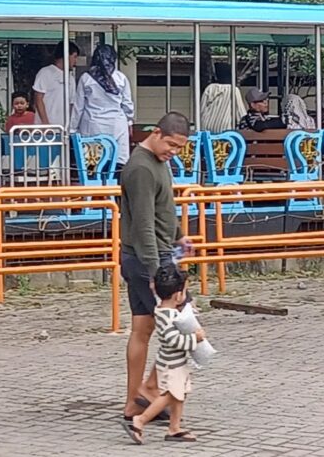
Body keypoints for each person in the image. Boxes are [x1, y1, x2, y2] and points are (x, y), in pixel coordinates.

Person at [120, 112, 193, 422]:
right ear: (157, 133)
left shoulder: (159, 164)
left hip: (151, 253)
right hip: (148, 257)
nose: (173, 152)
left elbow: (164, 208)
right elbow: (143, 224)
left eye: (179, 148)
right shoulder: (141, 168)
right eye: (171, 145)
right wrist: (155, 272)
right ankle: (148, 393)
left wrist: (179, 235)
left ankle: (133, 401)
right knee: (181, 325)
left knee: (143, 328)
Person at [122, 264, 203, 445]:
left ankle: (174, 427)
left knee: (179, 393)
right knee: (169, 395)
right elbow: (173, 340)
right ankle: (141, 420)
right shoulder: (168, 316)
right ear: (177, 295)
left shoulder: (164, 310)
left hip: (176, 362)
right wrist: (194, 339)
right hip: (171, 364)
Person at [70, 44, 135, 167]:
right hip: (117, 125)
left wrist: (72, 129)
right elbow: (127, 104)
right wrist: (130, 122)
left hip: (93, 124)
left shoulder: (86, 78)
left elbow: (78, 106)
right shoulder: (121, 78)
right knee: (117, 161)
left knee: (94, 162)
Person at [33, 41, 80, 128]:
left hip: (63, 128)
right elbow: (38, 99)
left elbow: (71, 104)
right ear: (66, 55)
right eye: (74, 57)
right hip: (45, 129)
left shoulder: (71, 78)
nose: (75, 61)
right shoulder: (45, 72)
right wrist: (45, 124)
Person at [199, 62, 246, 133]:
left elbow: (202, 110)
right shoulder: (234, 90)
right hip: (225, 129)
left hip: (207, 128)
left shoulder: (209, 88)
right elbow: (241, 114)